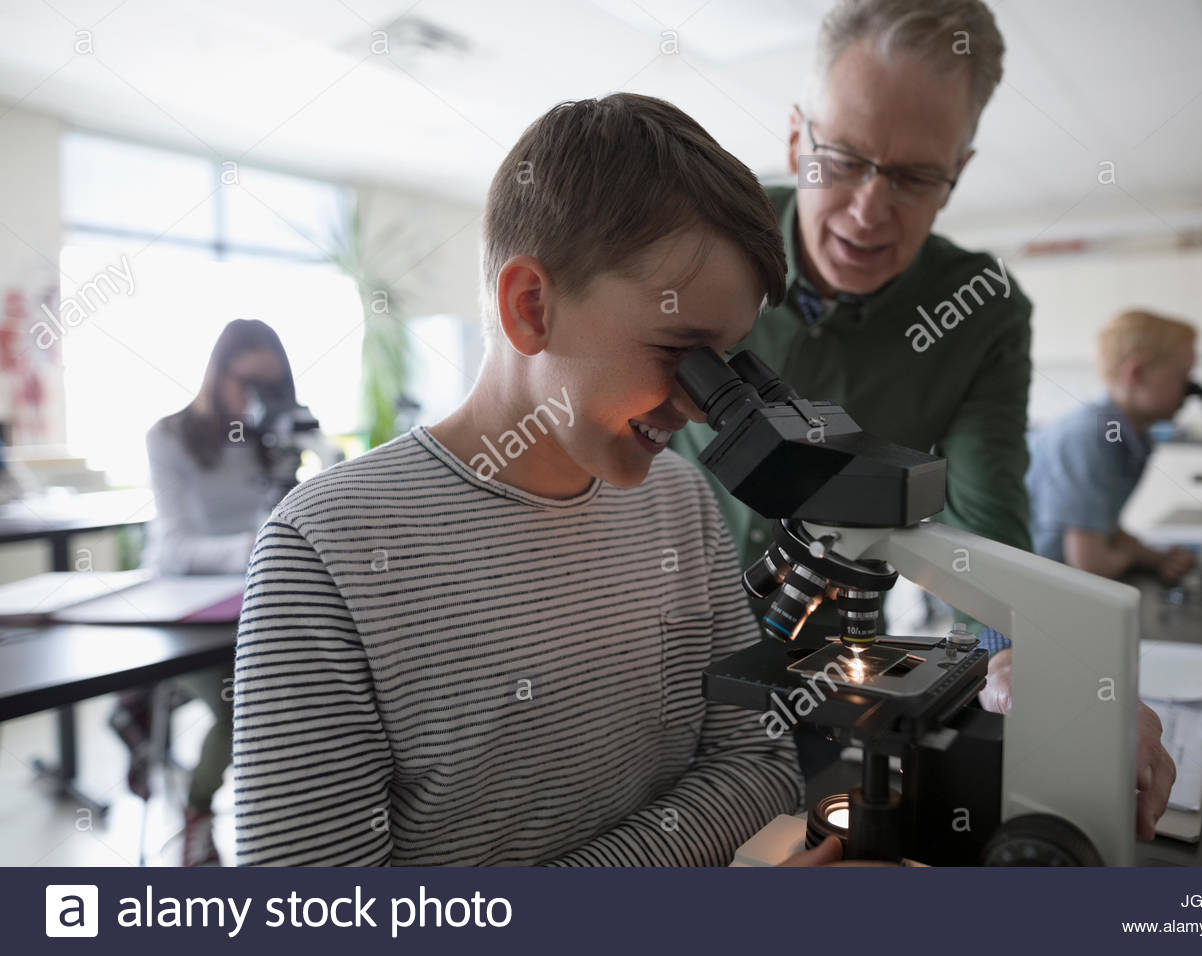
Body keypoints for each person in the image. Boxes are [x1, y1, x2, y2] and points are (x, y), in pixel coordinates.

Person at [231, 94, 806, 866]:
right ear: (530, 306)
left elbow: (764, 765)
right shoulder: (326, 551)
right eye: (680, 351)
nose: (702, 408)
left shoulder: (681, 503)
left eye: (724, 362)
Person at [669, 0, 1175, 840]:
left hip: (832, 675)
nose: (870, 210)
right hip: (657, 638)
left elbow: (988, 530)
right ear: (797, 140)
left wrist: (1069, 679)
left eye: (912, 177)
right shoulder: (696, 238)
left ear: (959, 172)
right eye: (843, 160)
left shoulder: (982, 311)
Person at [120, 318, 296, 866]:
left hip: (250, 602)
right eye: (247, 381)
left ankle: (137, 709)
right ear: (217, 374)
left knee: (301, 691)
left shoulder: (272, 442)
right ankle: (198, 815)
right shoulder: (169, 437)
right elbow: (173, 547)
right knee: (238, 706)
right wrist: (255, 544)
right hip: (183, 608)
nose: (256, 398)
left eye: (272, 386)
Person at [1027, 309, 1198, 582]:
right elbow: (1089, 564)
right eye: (1182, 375)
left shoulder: (1130, 435)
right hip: (1020, 593)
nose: (1190, 389)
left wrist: (1157, 558)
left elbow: (1101, 523)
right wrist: (1132, 556)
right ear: (1137, 373)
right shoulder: (1092, 436)